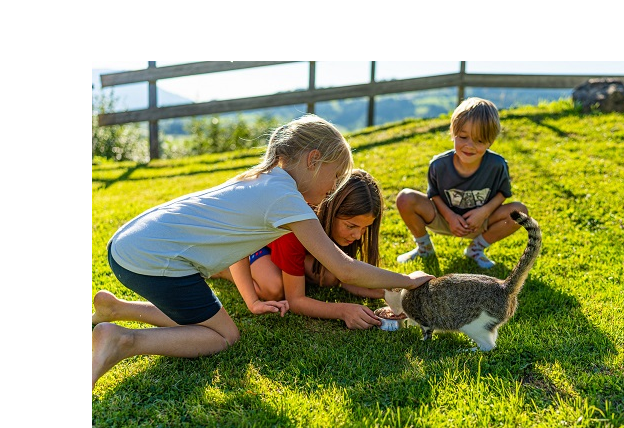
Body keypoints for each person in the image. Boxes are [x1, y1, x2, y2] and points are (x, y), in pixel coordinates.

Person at [92, 115, 434, 391]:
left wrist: (385, 291)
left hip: (130, 247)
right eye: (333, 179)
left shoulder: (264, 179)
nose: (331, 191)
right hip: (155, 260)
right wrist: (408, 281)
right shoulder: (286, 198)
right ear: (313, 160)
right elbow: (343, 269)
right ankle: (122, 340)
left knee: (205, 318)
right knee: (225, 336)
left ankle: (114, 308)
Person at [212, 168, 387, 330]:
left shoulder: (344, 227)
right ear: (331, 212)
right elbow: (295, 301)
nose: (358, 235)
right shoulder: (295, 225)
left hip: (285, 248)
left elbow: (348, 277)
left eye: (364, 229)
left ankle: (289, 268)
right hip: (256, 246)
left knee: (329, 276)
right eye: (351, 226)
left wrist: (386, 291)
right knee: (274, 289)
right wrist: (343, 311)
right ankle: (225, 269)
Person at [395, 97, 528, 269]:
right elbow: (433, 194)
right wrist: (450, 217)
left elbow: (503, 193)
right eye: (463, 137)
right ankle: (424, 248)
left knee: (520, 212)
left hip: (480, 222)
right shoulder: (438, 165)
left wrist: (484, 212)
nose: (469, 146)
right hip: (443, 217)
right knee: (405, 198)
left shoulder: (497, 165)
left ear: (491, 141)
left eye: (479, 140)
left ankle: (476, 249)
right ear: (453, 133)